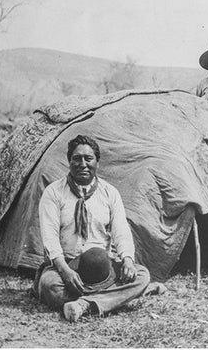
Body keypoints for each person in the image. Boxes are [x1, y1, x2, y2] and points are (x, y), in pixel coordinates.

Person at [36, 134, 150, 322]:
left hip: (102, 270)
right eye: (77, 159)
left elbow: (121, 231)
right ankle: (109, 299)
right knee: (49, 284)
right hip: (66, 266)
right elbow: (50, 238)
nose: (83, 164)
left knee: (142, 276)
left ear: (97, 162)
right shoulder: (54, 193)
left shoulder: (110, 193)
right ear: (69, 162)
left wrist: (128, 260)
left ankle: (83, 305)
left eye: (88, 158)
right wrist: (65, 270)